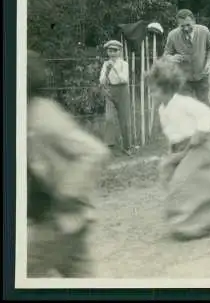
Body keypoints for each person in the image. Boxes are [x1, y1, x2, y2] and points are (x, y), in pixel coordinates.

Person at [27, 50, 110, 277]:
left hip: (54, 220)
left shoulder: (41, 119)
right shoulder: (30, 114)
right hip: (58, 222)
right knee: (80, 277)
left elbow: (93, 151)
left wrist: (66, 193)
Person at [148, 56, 210, 241]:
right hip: (181, 148)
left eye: (154, 90)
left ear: (167, 88)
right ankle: (204, 218)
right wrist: (172, 153)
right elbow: (171, 132)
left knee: (184, 181)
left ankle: (188, 224)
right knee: (169, 174)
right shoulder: (162, 109)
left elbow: (206, 113)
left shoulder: (183, 102)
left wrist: (200, 133)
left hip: (199, 145)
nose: (152, 94)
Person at [163, 9, 210, 106]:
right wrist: (172, 58)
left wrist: (208, 63)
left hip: (202, 77)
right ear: (178, 25)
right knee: (187, 108)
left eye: (188, 25)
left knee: (206, 107)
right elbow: (166, 55)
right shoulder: (172, 35)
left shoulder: (204, 31)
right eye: (182, 26)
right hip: (184, 80)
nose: (186, 28)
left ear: (194, 21)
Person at [99, 40, 133, 156]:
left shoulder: (124, 64)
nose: (112, 53)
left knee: (124, 120)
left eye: (115, 51)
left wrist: (114, 68)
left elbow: (124, 79)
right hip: (110, 90)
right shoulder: (105, 64)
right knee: (109, 119)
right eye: (110, 51)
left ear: (119, 52)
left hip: (122, 91)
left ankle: (127, 147)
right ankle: (109, 146)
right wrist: (107, 71)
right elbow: (102, 81)